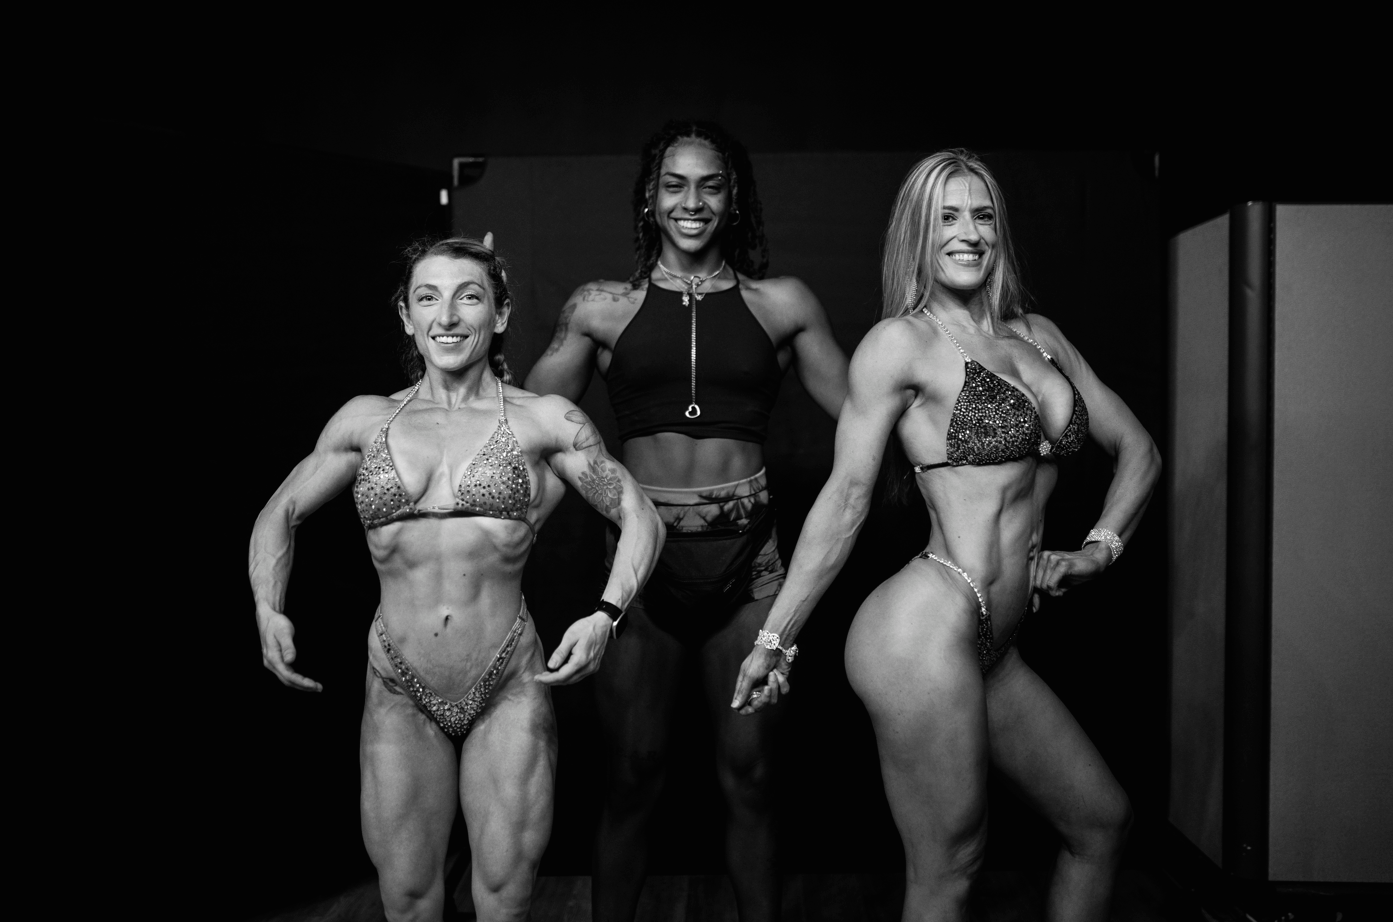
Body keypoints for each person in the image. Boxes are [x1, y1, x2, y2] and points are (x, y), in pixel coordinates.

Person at [730, 150, 1162, 922]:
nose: (968, 233)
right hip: (922, 626)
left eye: (982, 215)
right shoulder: (901, 345)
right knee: (950, 864)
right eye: (947, 217)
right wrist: (776, 636)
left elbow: (1139, 450)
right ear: (918, 236)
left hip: (995, 645)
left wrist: (1100, 548)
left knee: (1099, 823)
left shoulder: (1040, 338)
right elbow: (846, 496)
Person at [248, 236, 663, 922]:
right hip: (397, 686)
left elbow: (638, 514)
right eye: (427, 298)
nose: (447, 315)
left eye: (468, 296)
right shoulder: (363, 420)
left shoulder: (543, 420)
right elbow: (279, 512)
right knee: (408, 902)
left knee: (502, 901)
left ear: (498, 315)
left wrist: (607, 614)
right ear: (406, 318)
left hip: (508, 684)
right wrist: (268, 608)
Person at [524, 120, 849, 922]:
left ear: (733, 199)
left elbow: (865, 423)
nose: (691, 200)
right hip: (640, 578)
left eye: (710, 184)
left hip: (751, 576)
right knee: (631, 776)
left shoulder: (785, 306)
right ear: (649, 197)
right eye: (674, 184)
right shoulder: (600, 309)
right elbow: (527, 425)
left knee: (753, 779)